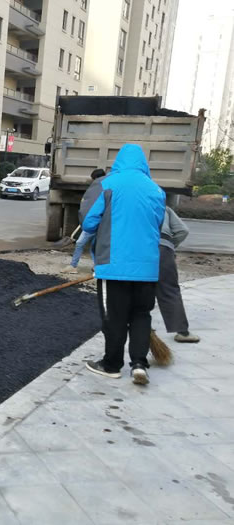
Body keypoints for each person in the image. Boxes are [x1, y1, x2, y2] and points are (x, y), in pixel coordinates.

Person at [80, 144, 165, 385]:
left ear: (118, 161)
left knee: (114, 317)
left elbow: (88, 222)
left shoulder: (107, 184)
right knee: (141, 315)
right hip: (147, 268)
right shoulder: (156, 190)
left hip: (114, 265)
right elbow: (158, 224)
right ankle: (139, 364)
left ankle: (111, 364)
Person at [157, 206, 200, 343]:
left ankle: (134, 327)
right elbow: (183, 230)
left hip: (137, 248)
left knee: (135, 288)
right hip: (163, 248)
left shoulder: (127, 203)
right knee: (169, 290)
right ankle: (183, 332)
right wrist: (169, 245)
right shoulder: (164, 207)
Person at [61, 168, 106, 274]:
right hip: (96, 222)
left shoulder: (100, 188)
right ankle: (76, 266)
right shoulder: (100, 188)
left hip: (96, 222)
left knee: (88, 244)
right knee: (89, 244)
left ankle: (93, 267)